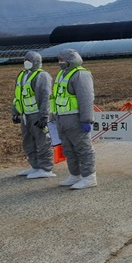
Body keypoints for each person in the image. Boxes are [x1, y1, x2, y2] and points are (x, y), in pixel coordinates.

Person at [51, 49, 97, 189]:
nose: (60, 62)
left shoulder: (80, 74)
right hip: (61, 118)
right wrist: (53, 115)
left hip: (75, 118)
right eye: (59, 59)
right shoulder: (62, 74)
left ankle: (89, 177)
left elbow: (86, 98)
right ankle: (75, 175)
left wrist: (86, 119)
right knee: (68, 149)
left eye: (62, 59)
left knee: (83, 148)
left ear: (70, 60)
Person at [12, 51, 56, 178]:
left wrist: (44, 116)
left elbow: (45, 97)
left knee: (42, 141)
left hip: (37, 114)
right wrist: (15, 112)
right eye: (25, 59)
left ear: (36, 61)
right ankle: (35, 166)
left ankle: (46, 168)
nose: (26, 61)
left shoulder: (42, 76)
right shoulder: (22, 75)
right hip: (25, 115)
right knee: (28, 142)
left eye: (29, 59)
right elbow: (17, 96)